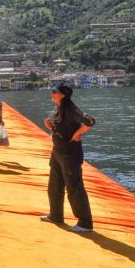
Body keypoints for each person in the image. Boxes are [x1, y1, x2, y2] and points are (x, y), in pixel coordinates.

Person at [40, 83, 96, 233]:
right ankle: (56, 215)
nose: (51, 93)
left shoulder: (71, 108)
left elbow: (90, 122)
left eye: (54, 91)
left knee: (75, 188)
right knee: (54, 186)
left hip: (70, 154)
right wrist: (50, 127)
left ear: (63, 94)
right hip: (58, 152)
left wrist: (77, 134)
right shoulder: (58, 107)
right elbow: (61, 128)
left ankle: (85, 223)